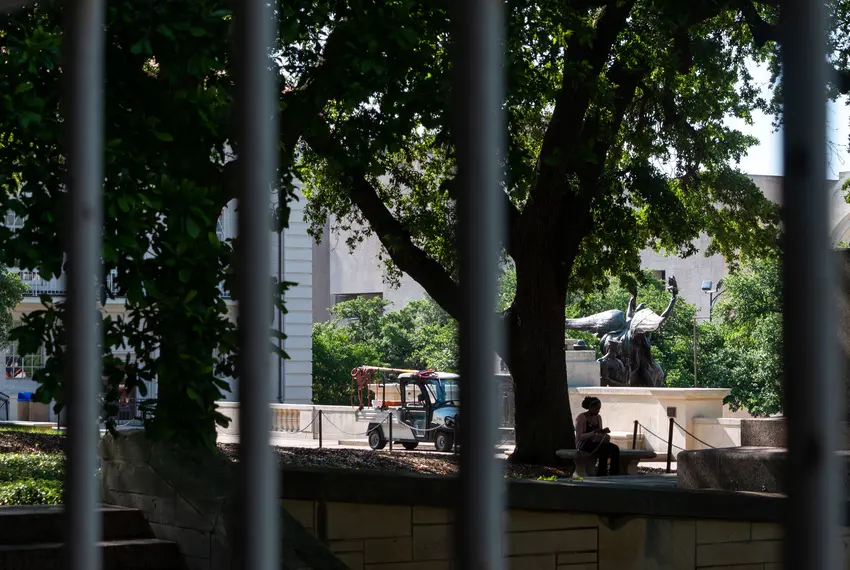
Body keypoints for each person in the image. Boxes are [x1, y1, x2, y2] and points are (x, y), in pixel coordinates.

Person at [575, 396, 620, 476]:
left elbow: (599, 432)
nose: (598, 411)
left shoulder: (598, 417)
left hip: (596, 442)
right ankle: (602, 473)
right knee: (604, 449)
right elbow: (579, 437)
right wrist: (593, 432)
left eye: (599, 408)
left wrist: (603, 431)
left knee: (615, 448)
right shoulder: (581, 418)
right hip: (584, 443)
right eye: (596, 408)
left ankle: (614, 473)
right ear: (590, 407)